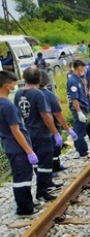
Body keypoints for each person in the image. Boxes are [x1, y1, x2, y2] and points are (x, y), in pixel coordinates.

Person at [14, 67, 62, 202]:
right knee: (45, 164)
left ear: (24, 78)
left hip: (27, 132)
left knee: (36, 164)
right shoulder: (38, 94)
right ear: (39, 79)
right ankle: (42, 191)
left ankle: (43, 187)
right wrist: (55, 132)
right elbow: (46, 116)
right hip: (42, 133)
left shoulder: (18, 93)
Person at [0, 71, 39, 216]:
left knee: (19, 176)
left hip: (8, 145)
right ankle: (25, 208)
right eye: (14, 84)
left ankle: (25, 203)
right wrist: (29, 151)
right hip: (18, 148)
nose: (15, 87)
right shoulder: (8, 106)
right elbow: (16, 130)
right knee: (23, 178)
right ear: (7, 86)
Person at [38, 70, 77, 175]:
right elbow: (58, 114)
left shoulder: (32, 94)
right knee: (53, 148)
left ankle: (55, 166)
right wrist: (68, 129)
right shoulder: (49, 95)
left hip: (39, 127)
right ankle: (52, 169)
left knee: (50, 149)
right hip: (53, 125)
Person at [67, 60, 90, 157]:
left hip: (83, 106)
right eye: (84, 67)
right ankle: (82, 151)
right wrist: (79, 112)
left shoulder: (78, 79)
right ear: (79, 67)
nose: (85, 70)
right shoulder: (72, 80)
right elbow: (74, 98)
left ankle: (78, 144)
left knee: (82, 128)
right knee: (79, 129)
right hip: (78, 107)